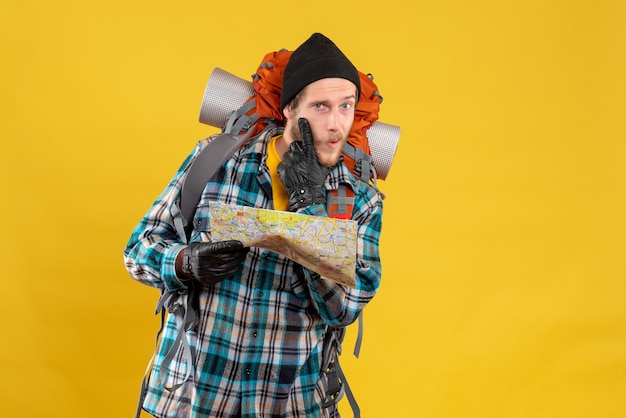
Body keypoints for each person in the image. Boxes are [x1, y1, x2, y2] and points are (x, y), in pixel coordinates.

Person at [124, 32, 383, 417]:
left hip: (291, 404)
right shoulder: (216, 161)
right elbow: (138, 249)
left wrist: (309, 210)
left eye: (346, 106)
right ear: (290, 108)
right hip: (195, 397)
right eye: (321, 106)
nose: (335, 124)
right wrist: (184, 262)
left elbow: (346, 306)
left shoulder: (358, 198)